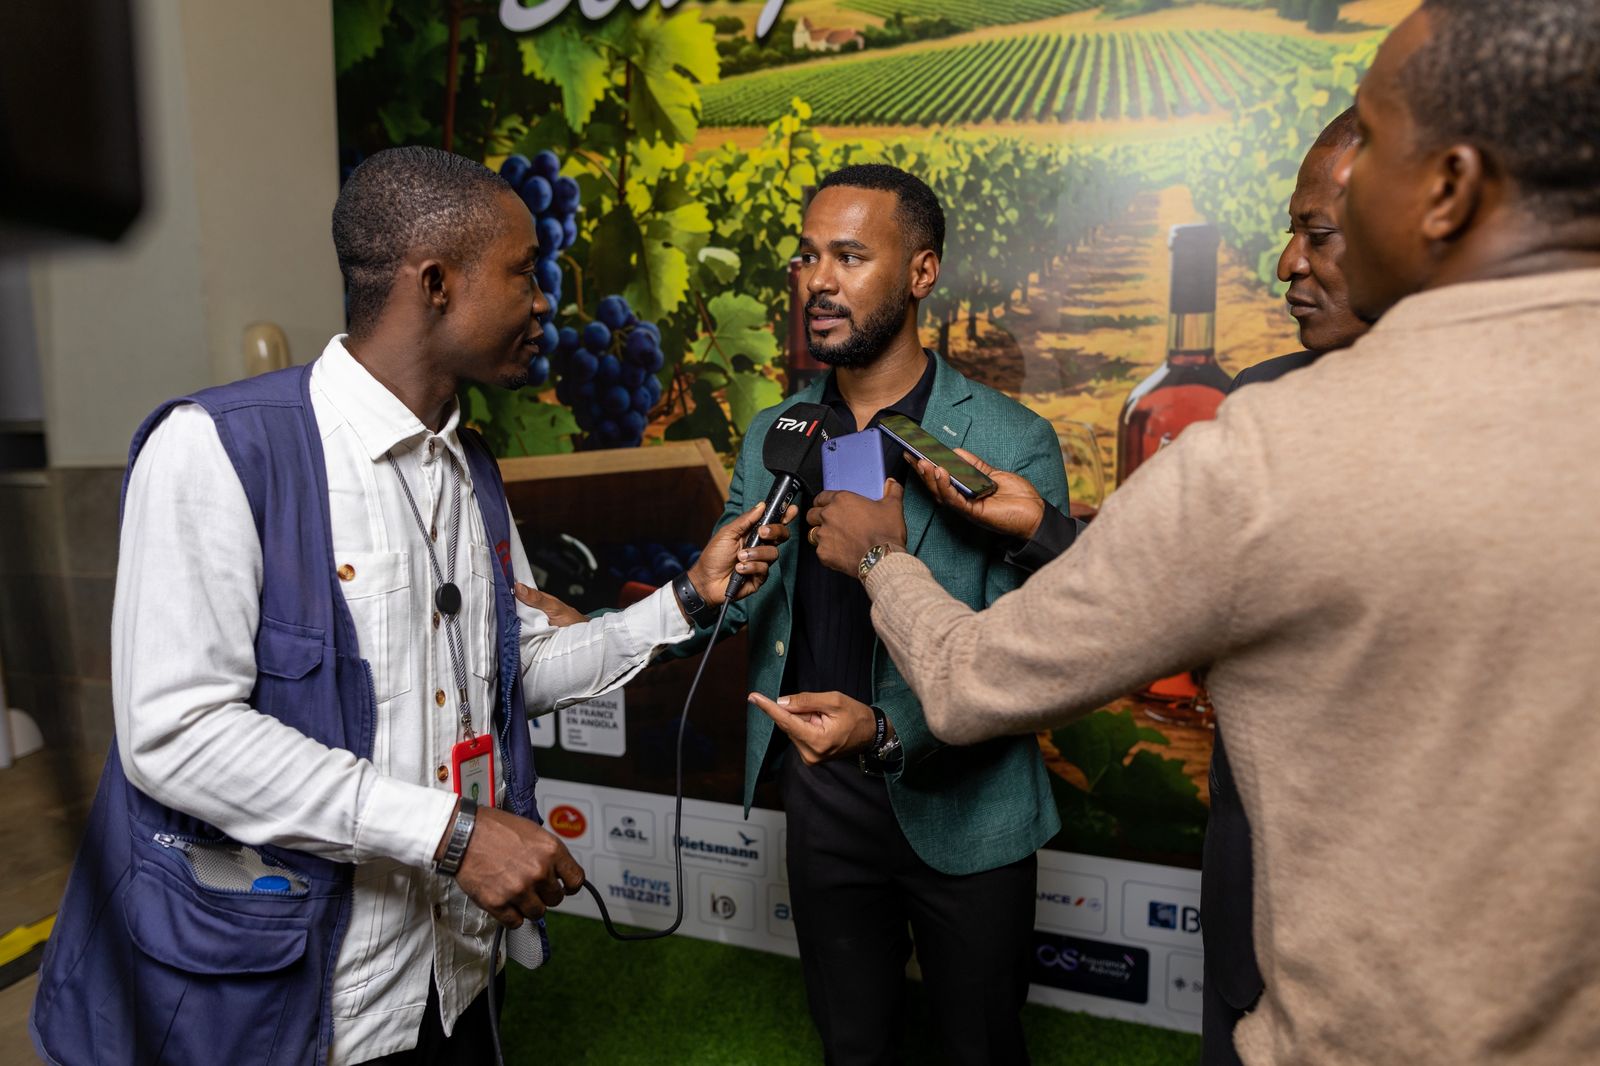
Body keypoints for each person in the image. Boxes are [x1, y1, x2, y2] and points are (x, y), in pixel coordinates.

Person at [788, 1, 1600, 1061]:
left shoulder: (1274, 451)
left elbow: (973, 677)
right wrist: (1047, 531)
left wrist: (880, 556)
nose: (1290, 257)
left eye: (1373, 147)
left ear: (1446, 187)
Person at [29, 146, 790, 1066]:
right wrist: (454, 835)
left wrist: (686, 599)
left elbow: (506, 670)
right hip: (286, 1004)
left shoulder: (470, 467)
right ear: (435, 284)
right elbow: (177, 733)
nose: (545, 301)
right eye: (524, 273)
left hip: (453, 978)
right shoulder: (216, 450)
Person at [700, 163, 1069, 1064]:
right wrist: (680, 602)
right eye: (808, 257)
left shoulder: (1012, 442)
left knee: (979, 1049)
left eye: (850, 257)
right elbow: (732, 606)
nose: (818, 281)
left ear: (921, 272)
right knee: (852, 1045)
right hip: (822, 798)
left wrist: (888, 731)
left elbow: (1027, 656)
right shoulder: (776, 431)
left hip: (968, 802)